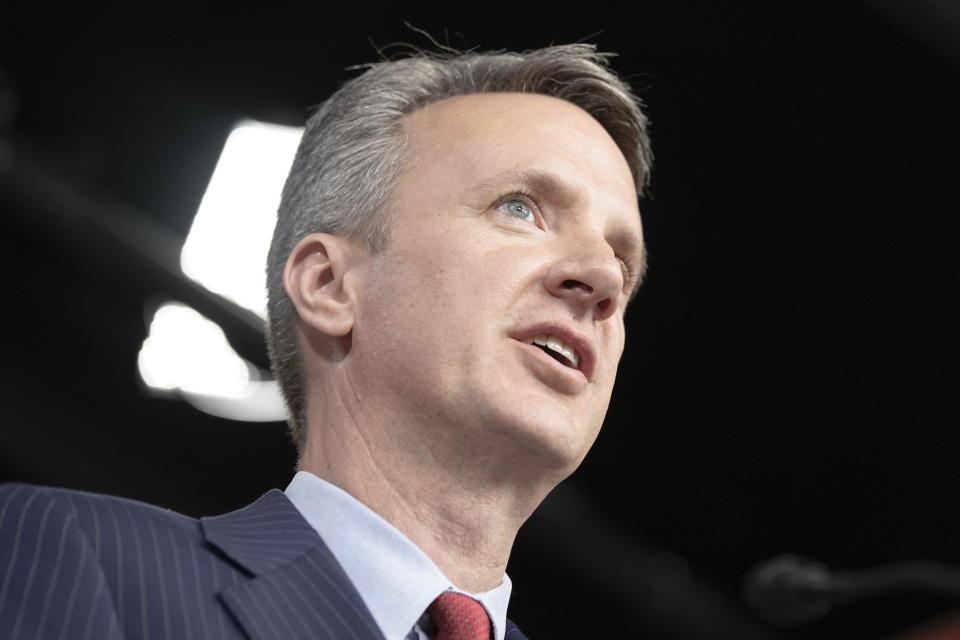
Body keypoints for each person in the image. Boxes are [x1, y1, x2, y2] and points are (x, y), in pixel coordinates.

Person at [0, 43, 652, 640]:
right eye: (520, 207)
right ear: (329, 284)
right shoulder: (70, 555)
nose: (600, 279)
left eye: (622, 264)